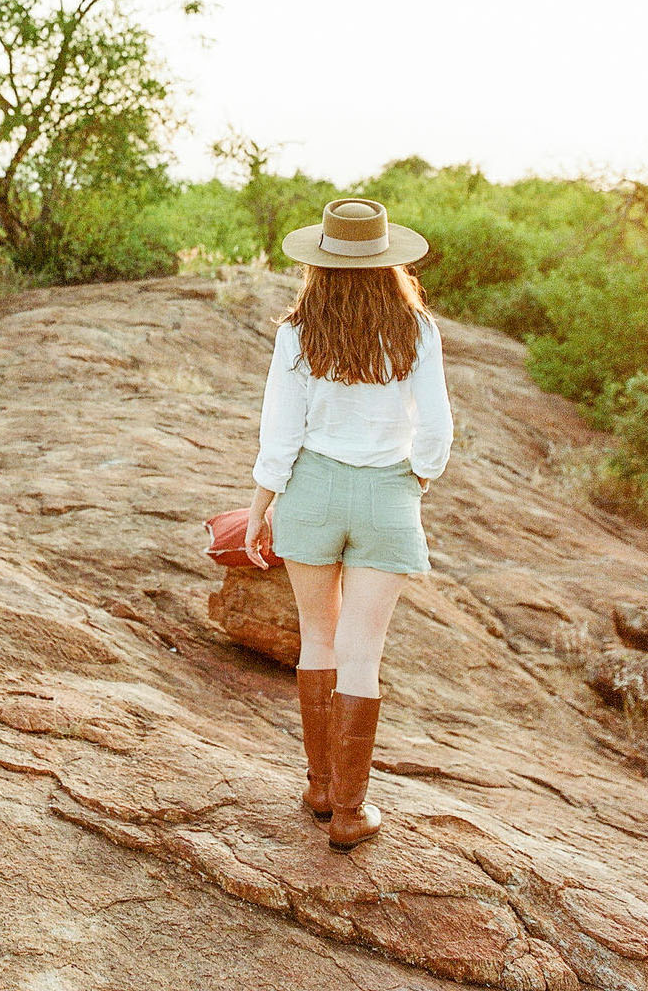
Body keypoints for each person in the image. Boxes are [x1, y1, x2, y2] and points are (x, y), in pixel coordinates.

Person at [243, 198, 453, 854]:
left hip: (310, 489)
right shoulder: (417, 330)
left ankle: (319, 789)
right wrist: (411, 480)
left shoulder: (297, 331)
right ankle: (349, 814)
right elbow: (438, 431)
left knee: (318, 640)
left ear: (321, 263)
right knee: (362, 654)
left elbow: (281, 431)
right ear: (389, 262)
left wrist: (259, 506)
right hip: (387, 491)